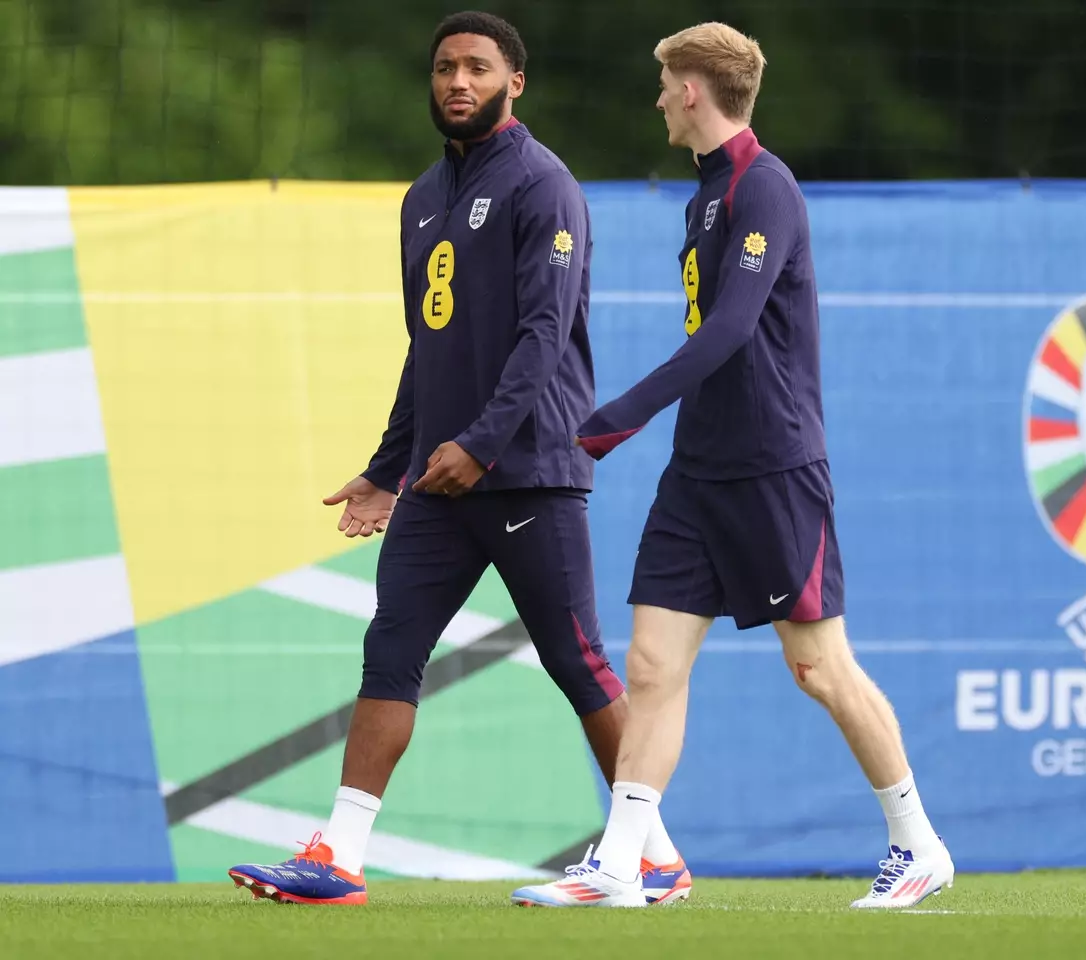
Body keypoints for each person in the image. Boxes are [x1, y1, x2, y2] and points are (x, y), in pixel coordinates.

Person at [227, 10, 687, 907]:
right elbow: (425, 349)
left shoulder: (544, 184)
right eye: (445, 68)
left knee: (575, 661)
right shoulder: (422, 198)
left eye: (477, 67)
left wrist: (481, 446)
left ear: (515, 82)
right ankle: (340, 857)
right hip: (441, 480)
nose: (457, 82)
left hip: (528, 472)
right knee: (390, 648)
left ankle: (651, 854)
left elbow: (545, 336)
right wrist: (386, 467)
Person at [510, 22, 954, 910]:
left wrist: (614, 419)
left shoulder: (768, 188)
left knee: (819, 667)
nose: (657, 99)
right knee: (650, 667)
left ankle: (918, 845)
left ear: (691, 92)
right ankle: (622, 866)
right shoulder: (704, 197)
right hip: (699, 472)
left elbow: (731, 330)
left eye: (665, 83)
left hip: (773, 467)